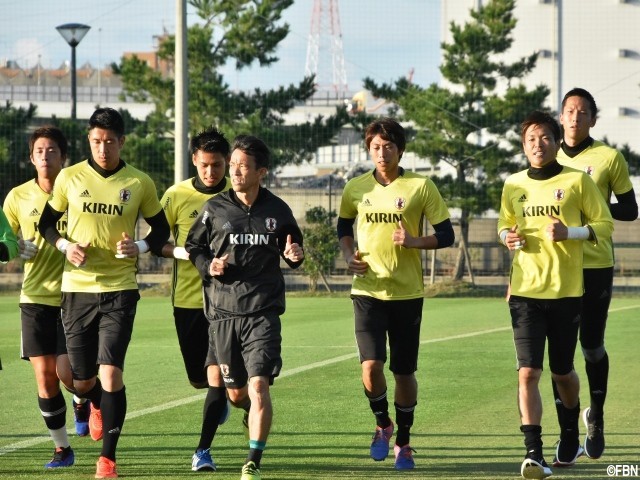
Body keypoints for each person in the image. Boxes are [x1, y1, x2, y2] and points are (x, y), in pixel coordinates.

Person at [38, 107, 170, 479]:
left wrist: (140, 248)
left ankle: (107, 460)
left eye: (109, 142)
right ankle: (91, 401)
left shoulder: (139, 182)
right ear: (89, 141)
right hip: (77, 290)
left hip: (120, 290)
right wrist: (65, 246)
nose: (103, 149)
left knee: (110, 373)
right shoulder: (69, 177)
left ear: (122, 141)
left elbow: (159, 231)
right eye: (96, 142)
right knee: (81, 379)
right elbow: (47, 223)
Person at [498, 110, 613, 479]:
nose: (538, 144)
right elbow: (504, 225)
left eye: (545, 137)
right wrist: (507, 238)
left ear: (556, 141)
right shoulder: (513, 184)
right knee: (528, 372)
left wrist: (571, 233)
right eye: (531, 138)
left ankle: (569, 432)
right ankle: (534, 453)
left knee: (562, 371)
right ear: (523, 145)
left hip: (565, 293)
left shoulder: (578, 182)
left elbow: (605, 225)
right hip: (525, 294)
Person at [337, 118, 455, 470]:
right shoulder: (355, 187)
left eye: (388, 146)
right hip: (367, 292)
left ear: (400, 150)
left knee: (404, 373)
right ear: (368, 149)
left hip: (406, 295)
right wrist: (347, 254)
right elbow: (344, 225)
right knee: (371, 367)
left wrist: (414, 241)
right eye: (375, 146)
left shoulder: (420, 186)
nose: (382, 152)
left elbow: (446, 235)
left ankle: (403, 441)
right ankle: (382, 424)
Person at [185, 134, 304, 480]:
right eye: (232, 164)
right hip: (223, 314)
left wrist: (295, 255)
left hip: (262, 313)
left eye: (242, 166)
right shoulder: (215, 208)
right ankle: (250, 416)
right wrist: (209, 266)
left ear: (261, 172)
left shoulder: (278, 210)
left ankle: (253, 460)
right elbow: (194, 247)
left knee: (258, 386)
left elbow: (293, 248)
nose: (234, 171)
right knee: (236, 394)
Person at [554, 87, 638, 460]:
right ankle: (567, 434)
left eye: (582, 111)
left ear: (592, 118)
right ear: (561, 117)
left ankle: (597, 416)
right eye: (569, 110)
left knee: (590, 346)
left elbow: (630, 210)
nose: (575, 117)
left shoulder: (608, 158)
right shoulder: (546, 155)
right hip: (554, 269)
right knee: (559, 356)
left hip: (595, 265)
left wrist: (598, 205)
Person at [3, 126, 90, 469]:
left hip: (76, 294)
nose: (44, 155)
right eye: (38, 150)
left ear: (63, 156)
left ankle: (83, 398)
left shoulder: (78, 191)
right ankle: (62, 449)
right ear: (31, 157)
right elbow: (6, 239)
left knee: (70, 375)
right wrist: (15, 248)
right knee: (45, 377)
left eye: (51, 149)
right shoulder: (17, 197)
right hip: (35, 297)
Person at [157, 126, 239, 471]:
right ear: (194, 160)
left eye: (217, 165)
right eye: (204, 164)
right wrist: (185, 253)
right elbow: (155, 241)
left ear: (227, 163)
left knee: (216, 377)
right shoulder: (175, 196)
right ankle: (218, 398)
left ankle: (203, 450)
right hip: (187, 301)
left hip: (226, 303)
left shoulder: (238, 196)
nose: (210, 172)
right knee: (198, 377)